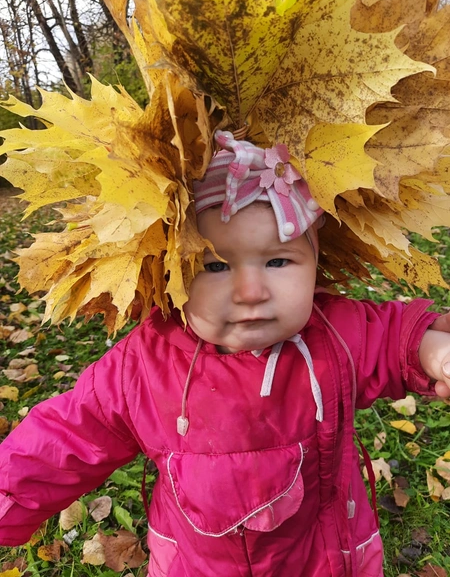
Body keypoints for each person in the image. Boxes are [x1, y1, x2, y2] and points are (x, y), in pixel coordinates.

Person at [1, 130, 450, 577]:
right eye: (215, 266)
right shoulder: (143, 366)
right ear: (172, 275)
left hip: (328, 558)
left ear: (315, 267)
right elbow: (66, 438)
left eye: (278, 261)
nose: (251, 292)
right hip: (200, 565)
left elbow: (394, 339)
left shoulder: (334, 333)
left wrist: (437, 353)